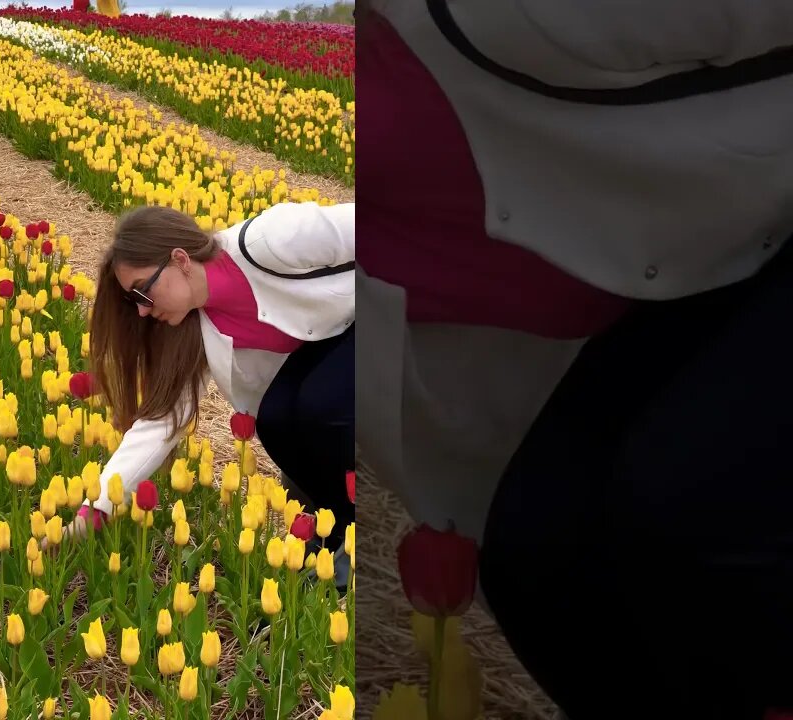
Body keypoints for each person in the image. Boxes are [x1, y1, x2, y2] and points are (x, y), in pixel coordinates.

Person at [359, 1, 793, 718]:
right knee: (534, 549)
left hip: (754, 227)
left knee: (689, 503)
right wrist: (442, 527)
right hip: (709, 261)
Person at [57, 201, 356, 591]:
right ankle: (337, 533)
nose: (143, 312)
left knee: (321, 404)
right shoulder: (196, 325)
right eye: (135, 303)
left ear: (180, 260)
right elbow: (162, 421)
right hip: (331, 342)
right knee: (275, 415)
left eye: (142, 293)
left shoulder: (271, 241)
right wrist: (94, 511)